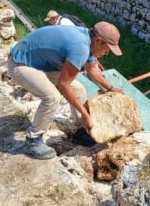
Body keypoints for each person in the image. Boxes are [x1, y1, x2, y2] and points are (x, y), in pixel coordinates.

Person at [7, 22, 123, 160]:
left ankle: (81, 129)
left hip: (44, 62)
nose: (107, 53)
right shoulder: (80, 47)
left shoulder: (87, 38)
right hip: (20, 63)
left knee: (79, 89)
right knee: (52, 97)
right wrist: (85, 113)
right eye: (107, 49)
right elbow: (63, 85)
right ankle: (33, 140)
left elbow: (92, 69)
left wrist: (110, 88)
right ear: (98, 40)